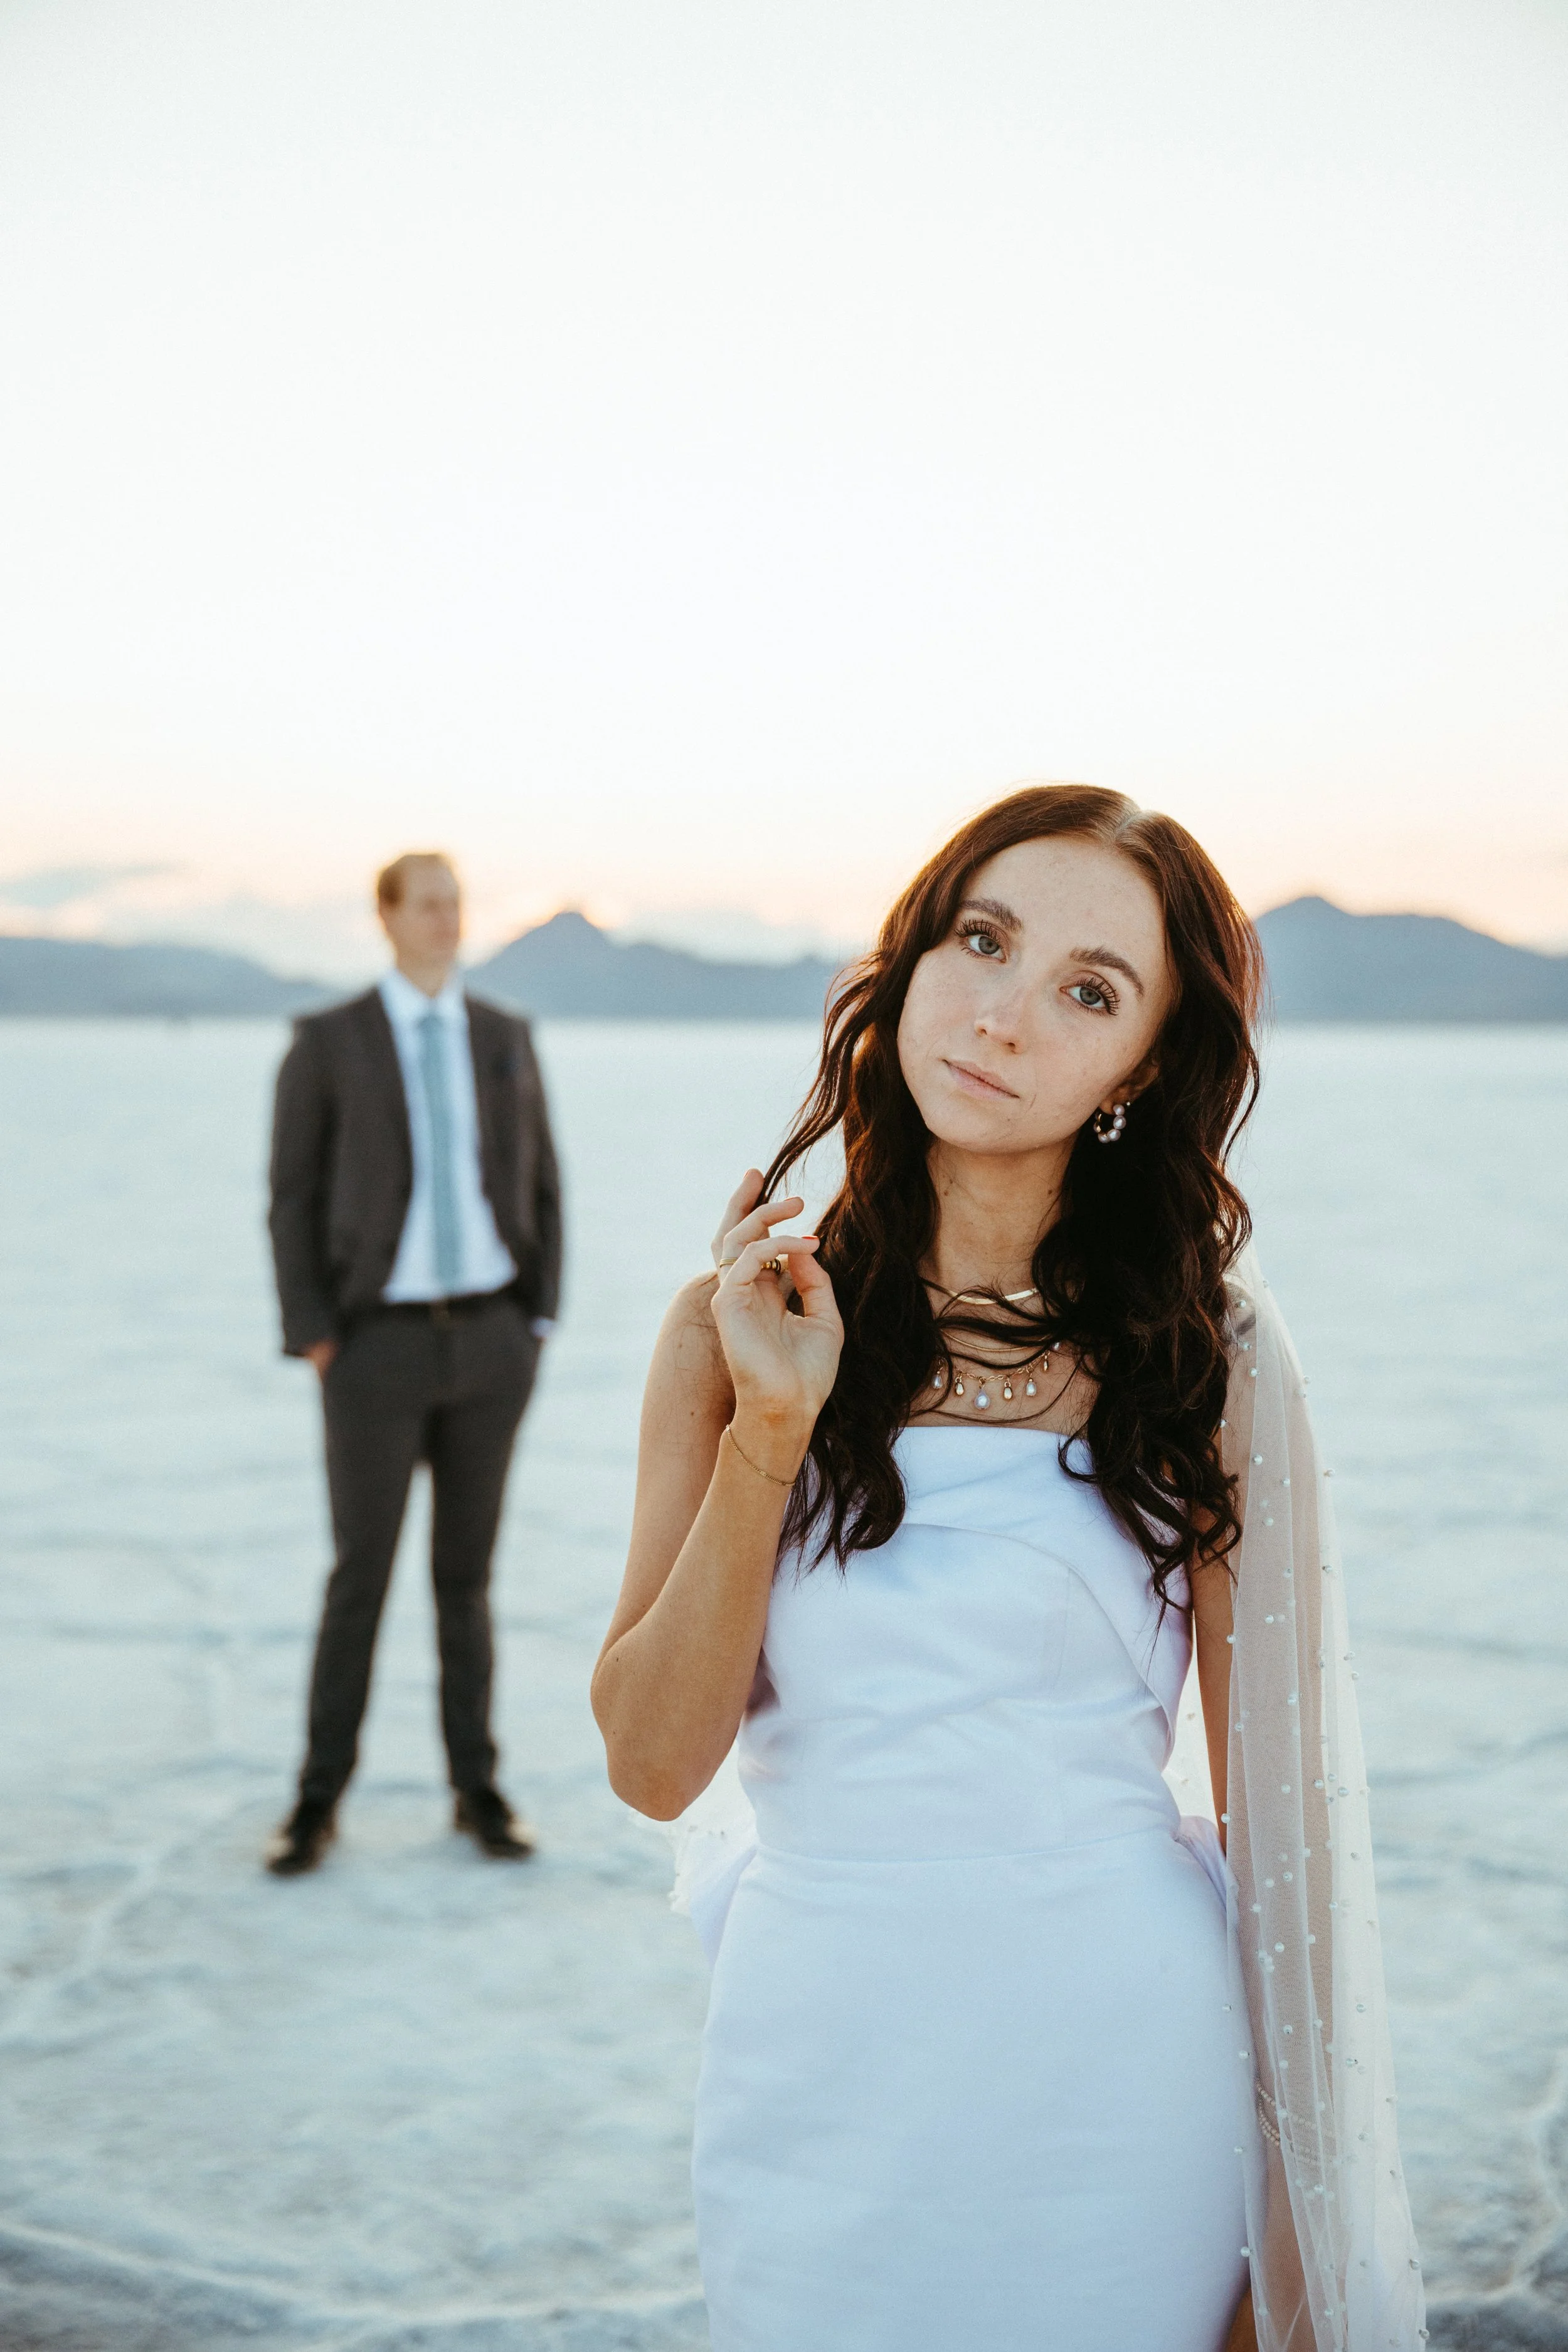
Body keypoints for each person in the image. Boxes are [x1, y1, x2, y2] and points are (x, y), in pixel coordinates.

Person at [593, 787, 1424, 2352]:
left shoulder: (1213, 1358)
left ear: (1140, 1072)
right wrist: (775, 1423)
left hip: (1121, 2069)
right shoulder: (727, 1336)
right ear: (908, 960)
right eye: (982, 940)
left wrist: (1297, 2244)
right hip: (817, 2066)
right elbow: (649, 1763)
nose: (1002, 1014)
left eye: (1087, 991)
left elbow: (1287, 1836)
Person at [265, 850, 562, 1877]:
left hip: (490, 1338)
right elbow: (291, 1195)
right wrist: (316, 1333)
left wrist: (538, 1318)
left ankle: (477, 1789)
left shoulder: (503, 1036)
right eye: (427, 903)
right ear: (386, 917)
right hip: (374, 1346)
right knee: (362, 1575)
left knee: (465, 1580)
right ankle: (316, 1801)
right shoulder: (329, 1041)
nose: (447, 919)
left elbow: (543, 1179)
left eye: (456, 902)